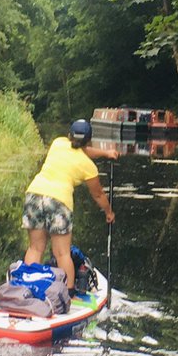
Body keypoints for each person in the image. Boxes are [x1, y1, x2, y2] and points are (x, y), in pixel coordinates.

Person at [22, 119, 116, 295]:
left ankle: (27, 291)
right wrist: (109, 212)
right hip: (58, 201)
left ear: (69, 136)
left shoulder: (58, 143)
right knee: (62, 253)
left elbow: (81, 149)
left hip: (34, 194)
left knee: (35, 248)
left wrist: (105, 153)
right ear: (89, 140)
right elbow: (98, 195)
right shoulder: (88, 166)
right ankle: (67, 295)